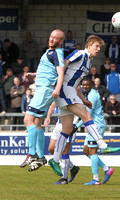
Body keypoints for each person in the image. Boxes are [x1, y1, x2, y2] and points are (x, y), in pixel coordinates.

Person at [49, 35, 120, 177]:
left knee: (67, 128)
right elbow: (64, 63)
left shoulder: (88, 63)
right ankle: (102, 145)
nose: (98, 49)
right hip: (64, 89)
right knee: (86, 115)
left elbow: (77, 85)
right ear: (88, 46)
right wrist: (58, 85)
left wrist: (83, 99)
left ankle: (55, 159)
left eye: (100, 47)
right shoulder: (80, 53)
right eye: (96, 46)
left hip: (70, 90)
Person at [23, 29, 65, 172]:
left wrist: (57, 89)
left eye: (55, 38)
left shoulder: (56, 54)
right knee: (37, 123)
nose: (52, 39)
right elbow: (48, 70)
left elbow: (60, 73)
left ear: (60, 41)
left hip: (45, 90)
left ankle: (33, 154)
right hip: (42, 88)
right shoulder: (49, 52)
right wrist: (33, 74)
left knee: (28, 119)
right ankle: (41, 156)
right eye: (51, 36)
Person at [75, 78, 114, 185]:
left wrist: (76, 126)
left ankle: (96, 179)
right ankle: (107, 169)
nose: (85, 86)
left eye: (87, 85)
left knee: (92, 151)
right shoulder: (89, 94)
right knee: (86, 151)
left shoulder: (92, 95)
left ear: (91, 85)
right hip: (92, 125)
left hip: (96, 126)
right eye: (83, 85)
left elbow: (88, 114)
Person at [43, 101, 80, 184]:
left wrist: (76, 126)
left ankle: (64, 178)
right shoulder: (62, 92)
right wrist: (48, 116)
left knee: (64, 152)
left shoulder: (76, 96)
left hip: (70, 126)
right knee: (52, 149)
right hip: (58, 125)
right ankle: (73, 167)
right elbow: (53, 105)